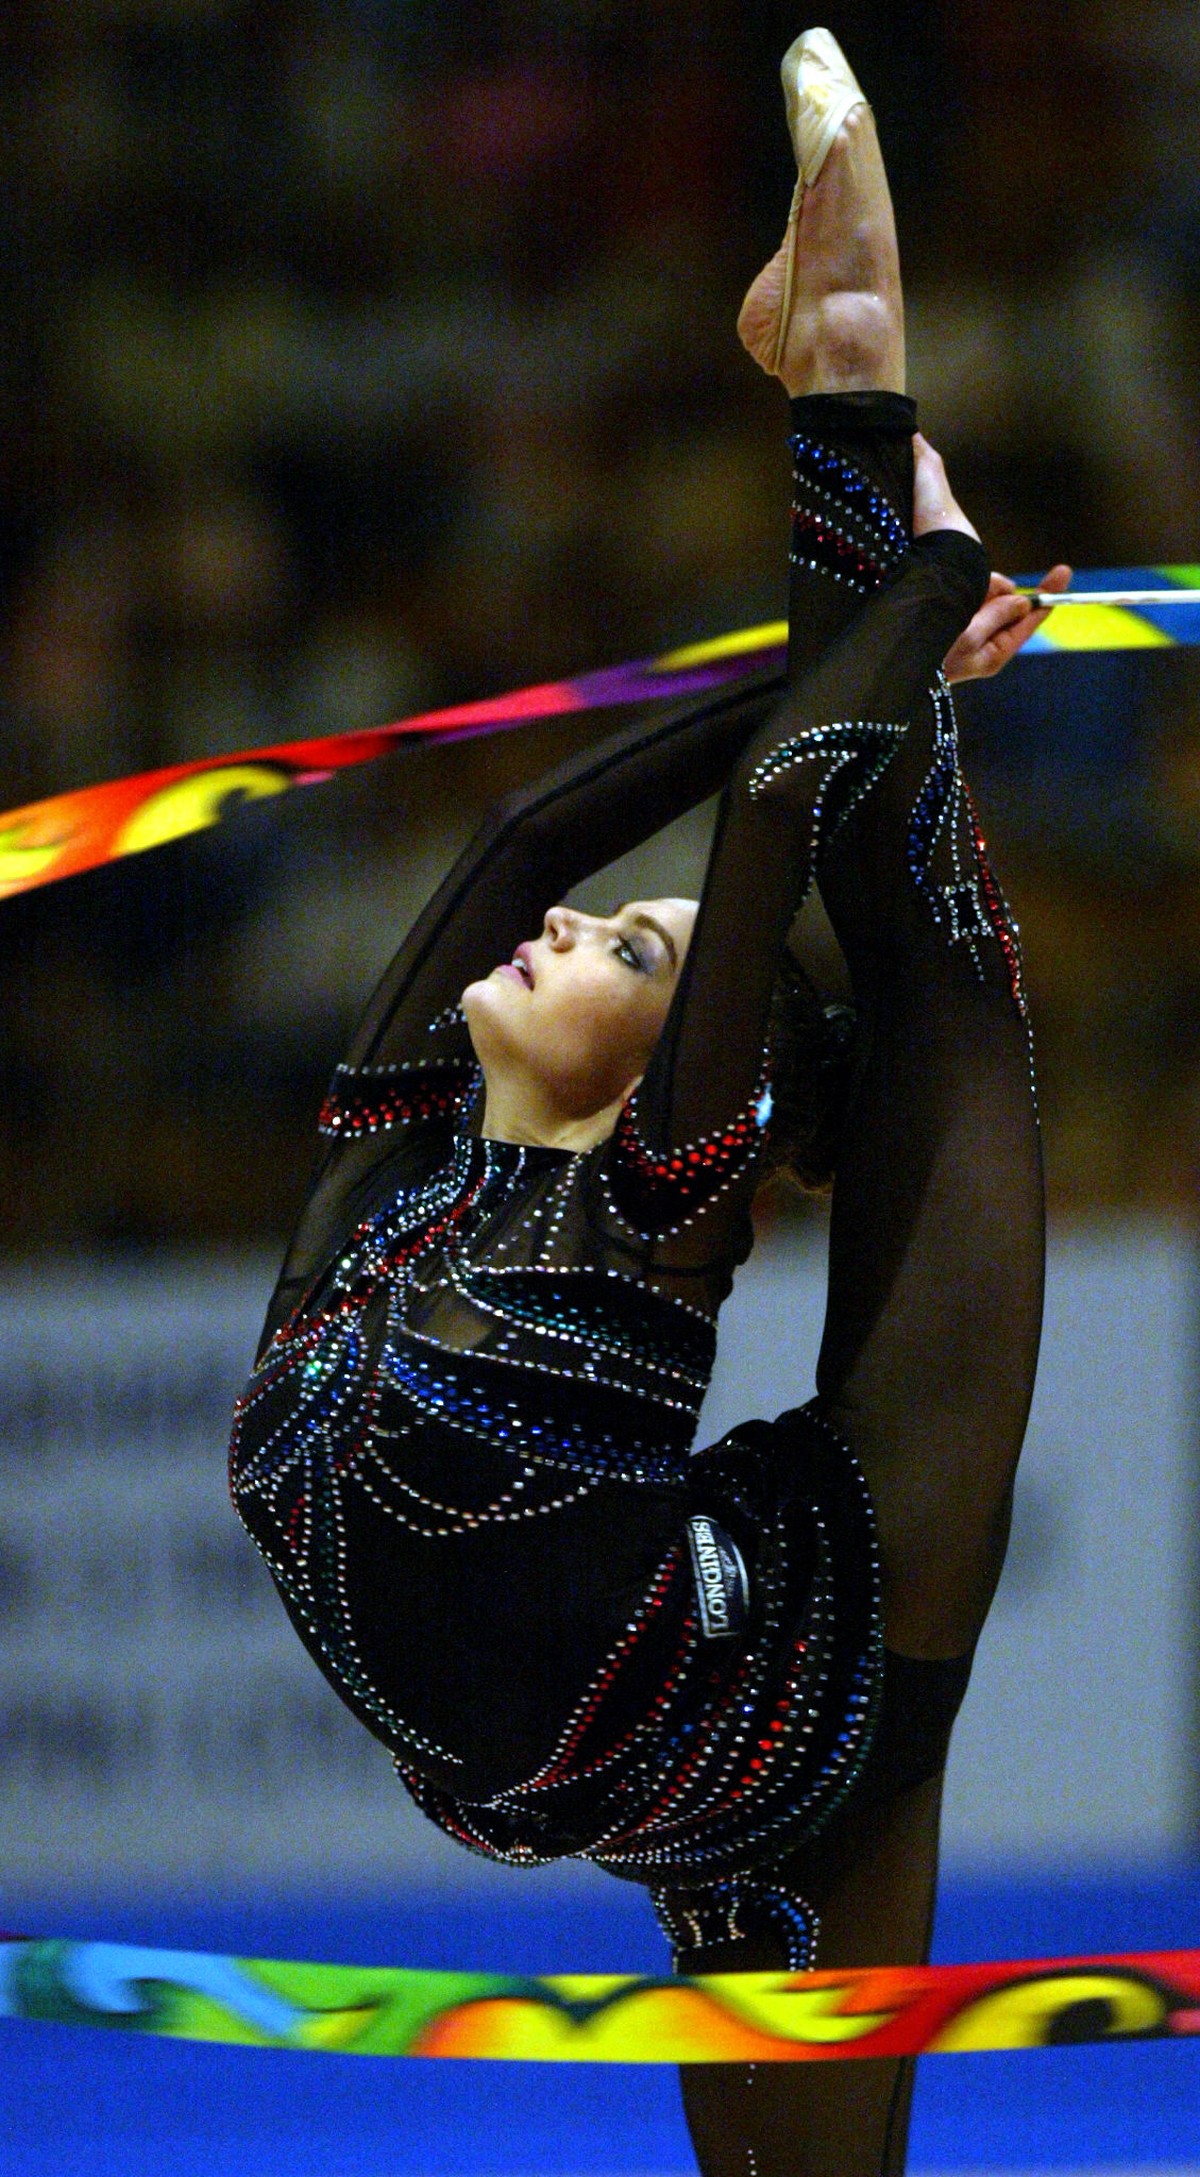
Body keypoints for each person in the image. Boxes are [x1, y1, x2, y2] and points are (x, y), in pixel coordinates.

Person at [229, 30, 1066, 2175]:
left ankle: (852, 379)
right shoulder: (491, 1218)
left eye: (630, 950)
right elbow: (521, 835)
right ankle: (859, 416)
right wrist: (878, 624)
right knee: (941, 977)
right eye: (627, 938)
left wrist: (911, 608)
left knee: (919, 949)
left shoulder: (633, 1213)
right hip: (800, 1652)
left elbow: (789, 806)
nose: (574, 932)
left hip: (685, 1730)